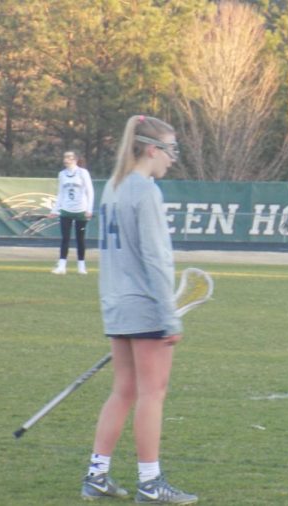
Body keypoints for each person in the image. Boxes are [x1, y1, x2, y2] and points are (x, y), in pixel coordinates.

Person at [81, 115, 197, 504]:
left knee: (124, 390)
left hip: (116, 305)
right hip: (145, 308)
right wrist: (169, 315)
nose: (173, 159)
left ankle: (96, 475)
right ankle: (151, 482)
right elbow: (156, 259)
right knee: (152, 393)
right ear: (151, 149)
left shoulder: (112, 189)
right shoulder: (145, 192)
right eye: (170, 149)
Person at [48, 151, 94, 275]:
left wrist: (89, 209)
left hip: (80, 211)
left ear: (76, 160)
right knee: (65, 239)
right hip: (66, 210)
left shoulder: (83, 173)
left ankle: (81, 266)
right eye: (65, 157)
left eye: (69, 157)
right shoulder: (62, 174)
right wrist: (55, 210)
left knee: (80, 239)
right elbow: (61, 193)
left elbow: (90, 191)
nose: (66, 159)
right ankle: (62, 266)